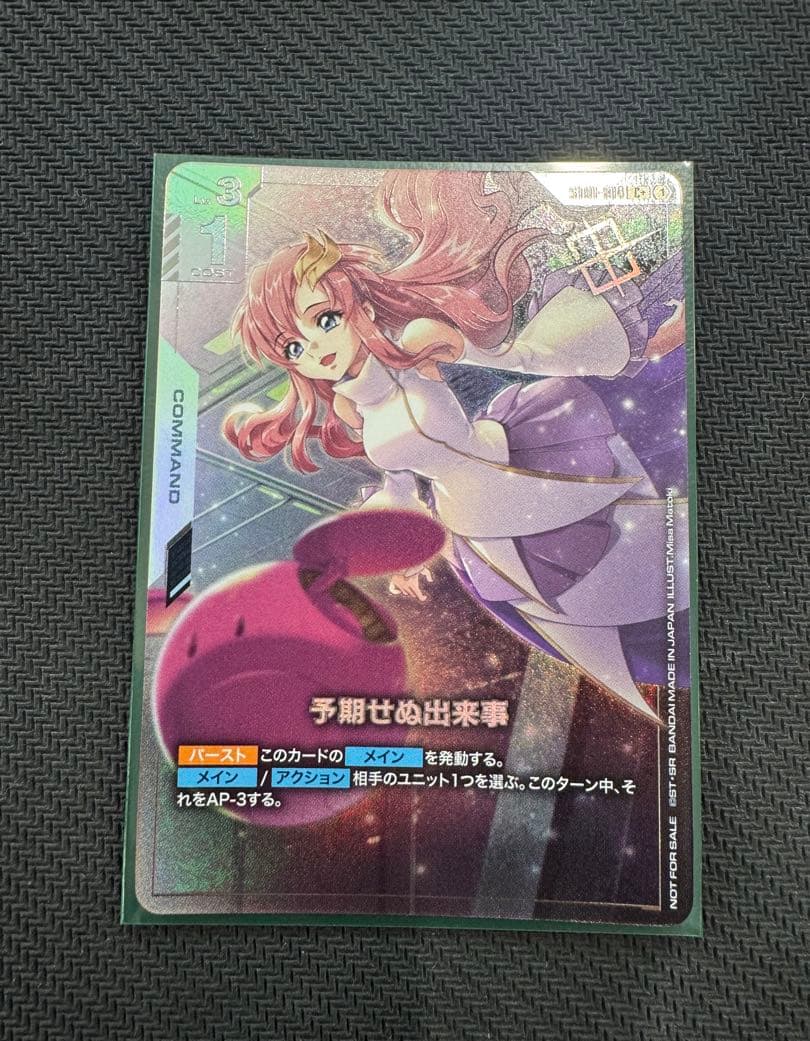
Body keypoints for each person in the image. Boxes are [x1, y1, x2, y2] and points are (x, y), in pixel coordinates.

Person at [224, 169, 689, 719]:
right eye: (293, 347)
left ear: (360, 306)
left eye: (325, 319)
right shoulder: (351, 407)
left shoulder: (419, 340)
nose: (315, 348)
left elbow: (519, 356)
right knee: (585, 613)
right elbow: (401, 487)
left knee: (638, 539)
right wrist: (385, 548)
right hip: (476, 525)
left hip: (520, 460)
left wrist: (636, 345)